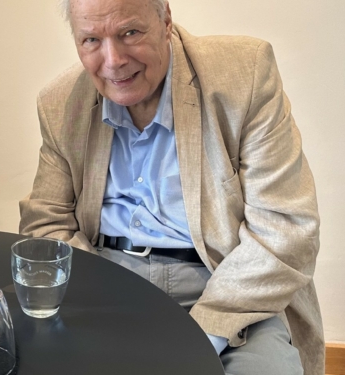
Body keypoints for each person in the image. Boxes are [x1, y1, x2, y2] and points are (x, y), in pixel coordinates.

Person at [19, 0, 323, 373]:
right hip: (105, 281)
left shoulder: (244, 74)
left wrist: (198, 336)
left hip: (227, 286)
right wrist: (100, 303)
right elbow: (47, 225)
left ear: (165, 20)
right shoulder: (60, 103)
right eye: (91, 40)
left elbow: (285, 229)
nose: (112, 60)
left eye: (130, 32)